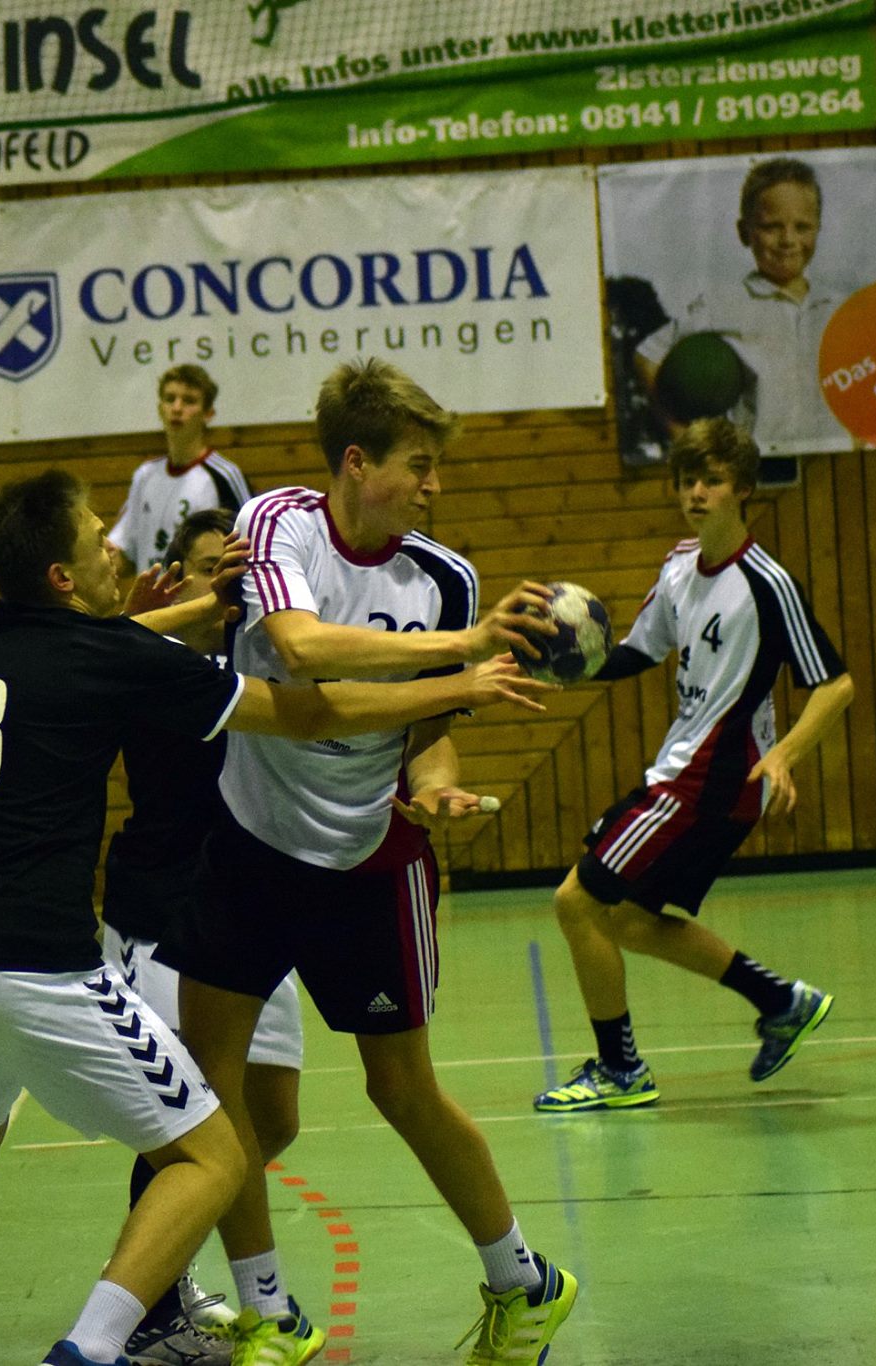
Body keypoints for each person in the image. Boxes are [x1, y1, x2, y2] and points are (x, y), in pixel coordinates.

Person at [0, 469, 550, 1366]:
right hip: (38, 967)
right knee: (218, 1157)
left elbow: (96, 648)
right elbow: (301, 712)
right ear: (64, 578)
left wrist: (189, 613)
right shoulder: (113, 658)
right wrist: (461, 681)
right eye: (97, 536)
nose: (116, 545)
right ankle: (93, 1350)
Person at [162, 358, 579, 1366]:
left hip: (365, 860)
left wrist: (434, 777)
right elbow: (299, 650)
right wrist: (467, 647)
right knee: (212, 1090)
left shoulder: (442, 576)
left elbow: (437, 720)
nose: (434, 485)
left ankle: (525, 1283)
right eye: (418, 465)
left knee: (402, 1090)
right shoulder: (275, 525)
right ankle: (268, 1310)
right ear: (356, 462)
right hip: (248, 848)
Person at [534, 418, 854, 1115]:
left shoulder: (767, 583)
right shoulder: (680, 565)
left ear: (742, 488)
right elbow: (637, 653)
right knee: (625, 921)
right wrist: (561, 668)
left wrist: (784, 753)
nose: (695, 492)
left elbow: (835, 684)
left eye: (710, 480)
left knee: (577, 902)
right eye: (685, 480)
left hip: (709, 781)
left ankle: (621, 1071)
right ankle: (781, 1001)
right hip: (681, 770)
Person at [99, 508, 292, 1366]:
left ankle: (161, 1275)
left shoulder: (272, 649)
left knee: (270, 1121)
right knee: (190, 1127)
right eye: (210, 570)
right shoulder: (148, 661)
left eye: (240, 573)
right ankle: (143, 1311)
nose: (229, 587)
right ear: (178, 578)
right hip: (162, 911)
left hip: (253, 905)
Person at [634, 158, 839, 452]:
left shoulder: (840, 307)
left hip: (835, 454)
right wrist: (679, 433)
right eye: (771, 227)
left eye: (802, 226)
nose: (788, 240)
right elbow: (646, 356)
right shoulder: (722, 304)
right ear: (745, 232)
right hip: (760, 459)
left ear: (818, 228)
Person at [107, 364, 250, 579]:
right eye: (170, 398)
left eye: (189, 401)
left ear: (208, 413)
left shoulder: (224, 475)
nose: (177, 407)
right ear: (159, 409)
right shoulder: (145, 476)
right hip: (153, 609)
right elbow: (123, 549)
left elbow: (250, 545)